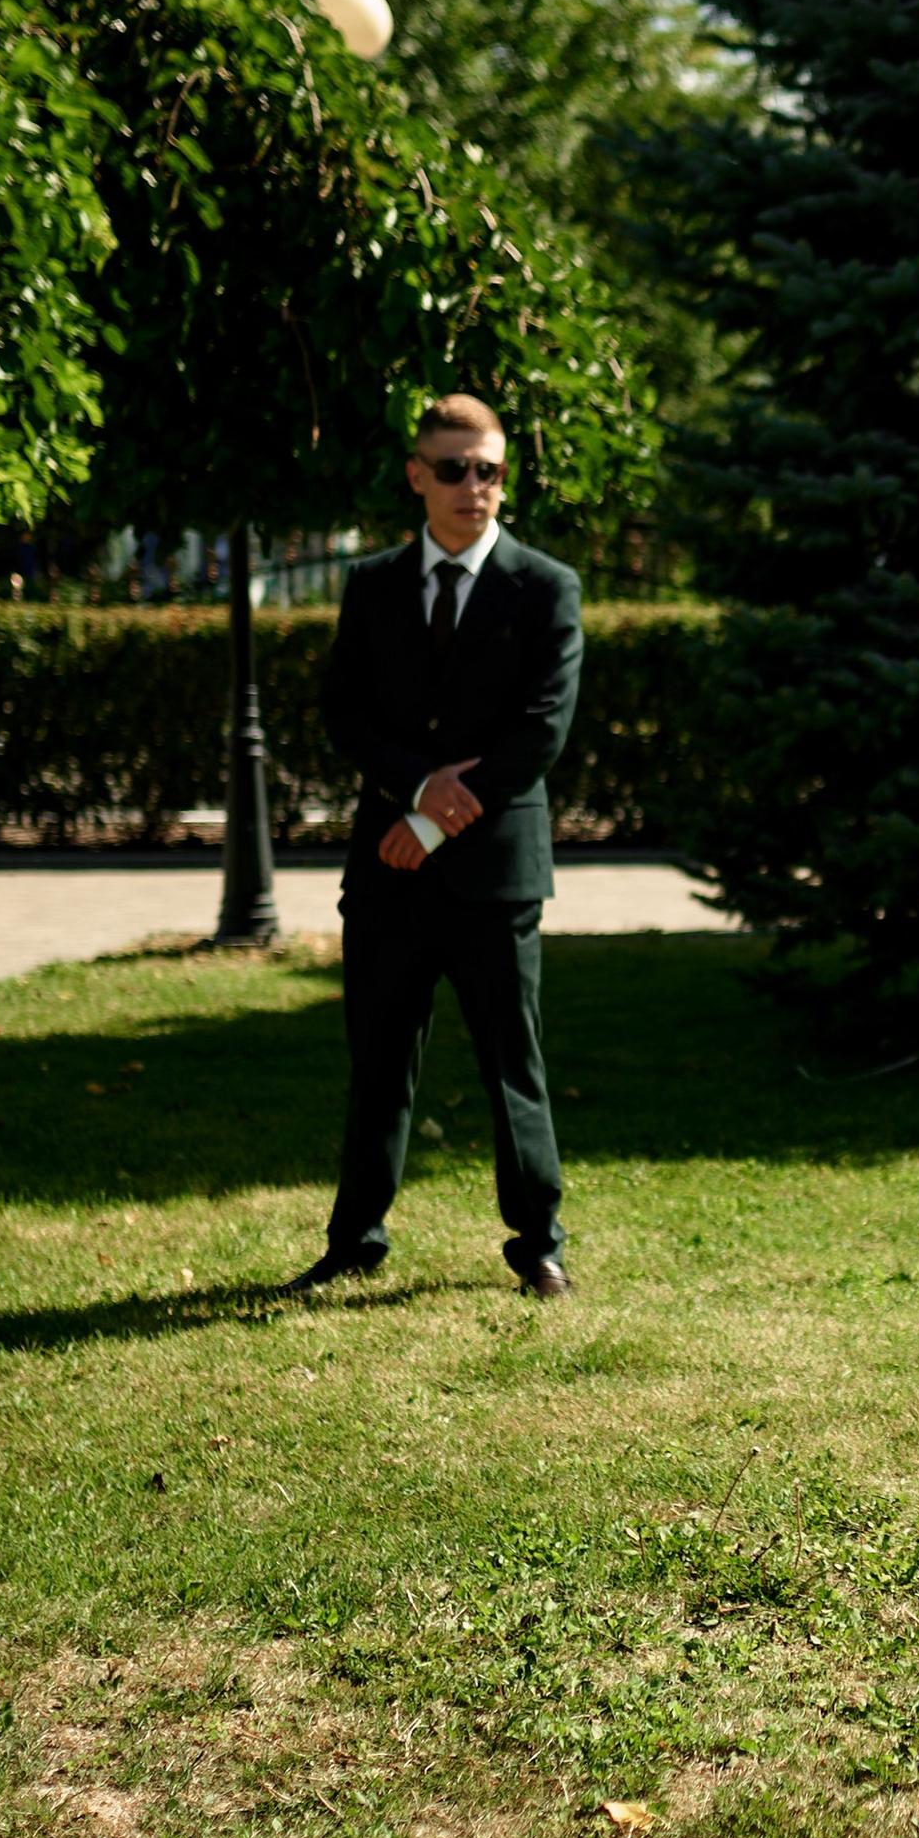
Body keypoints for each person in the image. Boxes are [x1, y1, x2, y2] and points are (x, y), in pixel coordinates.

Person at [288, 394, 585, 1300]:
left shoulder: (546, 587)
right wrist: (416, 787)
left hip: (493, 874)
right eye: (452, 468)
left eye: (488, 468)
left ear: (504, 476)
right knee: (377, 1061)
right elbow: (346, 713)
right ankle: (354, 1241)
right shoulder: (373, 583)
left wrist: (432, 817)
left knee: (513, 1063)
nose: (473, 486)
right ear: (417, 475)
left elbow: (542, 730)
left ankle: (538, 1242)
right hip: (387, 876)